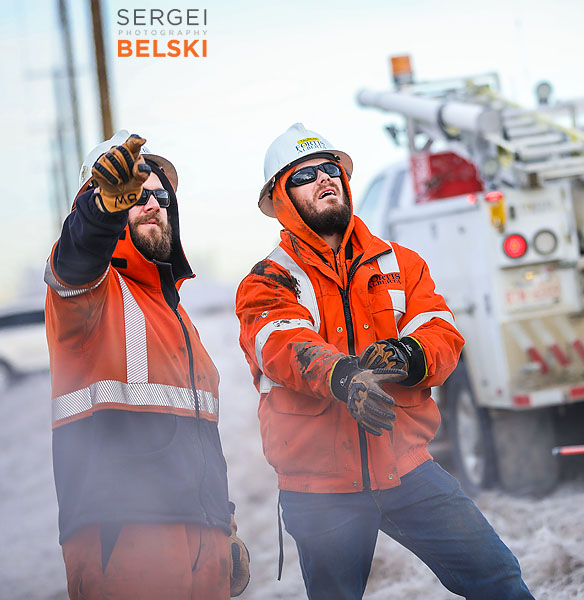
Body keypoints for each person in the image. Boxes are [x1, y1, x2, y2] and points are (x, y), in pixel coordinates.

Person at [235, 123, 534, 600]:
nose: (324, 179)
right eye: (305, 175)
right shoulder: (268, 281)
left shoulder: (400, 263)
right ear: (282, 199)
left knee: (497, 575)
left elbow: (441, 331)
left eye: (330, 168)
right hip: (320, 486)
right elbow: (281, 344)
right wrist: (344, 376)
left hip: (405, 467)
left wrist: (408, 355)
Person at [44, 131, 250, 599]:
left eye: (159, 195)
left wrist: (224, 522)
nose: (152, 203)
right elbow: (75, 259)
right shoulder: (90, 294)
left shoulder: (177, 316)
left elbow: (198, 439)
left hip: (203, 538)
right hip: (124, 536)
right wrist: (99, 211)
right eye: (135, 196)